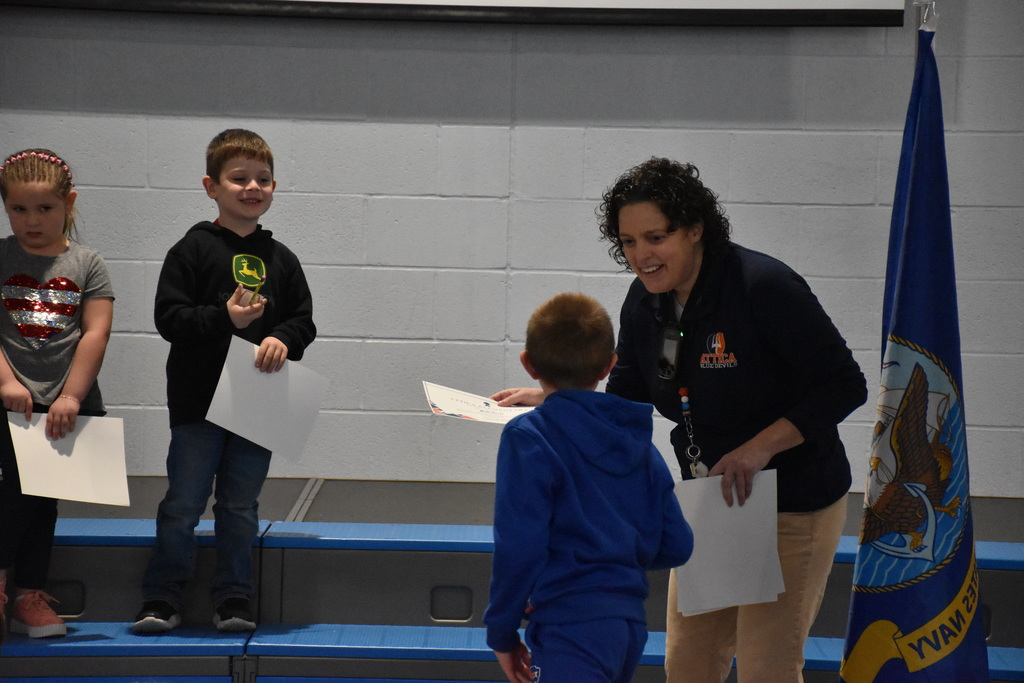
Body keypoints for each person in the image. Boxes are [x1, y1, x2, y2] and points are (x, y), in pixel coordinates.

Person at [493, 158, 867, 682]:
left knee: (766, 668)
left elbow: (845, 384)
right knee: (689, 663)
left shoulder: (764, 287)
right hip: (714, 500)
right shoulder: (645, 302)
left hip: (792, 501)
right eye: (628, 242)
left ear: (694, 229)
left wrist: (759, 447)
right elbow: (626, 392)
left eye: (655, 237)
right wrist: (555, 395)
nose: (641, 256)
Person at [131, 129, 316, 634]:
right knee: (183, 504)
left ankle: (234, 596)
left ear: (273, 188)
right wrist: (224, 319)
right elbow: (170, 318)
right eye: (239, 178)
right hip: (198, 401)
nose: (252, 187)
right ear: (211, 187)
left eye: (263, 179)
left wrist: (282, 337)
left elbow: (303, 320)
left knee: (239, 506)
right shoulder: (191, 250)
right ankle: (162, 596)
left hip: (259, 401)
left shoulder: (282, 259)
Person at [484, 291, 694, 683]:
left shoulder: (529, 437)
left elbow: (519, 545)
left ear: (528, 364)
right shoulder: (639, 445)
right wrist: (613, 559)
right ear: (609, 366)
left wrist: (501, 631)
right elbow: (678, 545)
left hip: (568, 626)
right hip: (628, 628)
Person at [0, 149, 115, 640]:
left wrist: (70, 396)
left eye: (44, 208)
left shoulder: (87, 263)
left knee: (43, 501)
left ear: (69, 203)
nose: (31, 220)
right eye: (18, 209)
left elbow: (95, 333)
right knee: (15, 492)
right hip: (9, 399)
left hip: (64, 403)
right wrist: (6, 382)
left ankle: (28, 595)